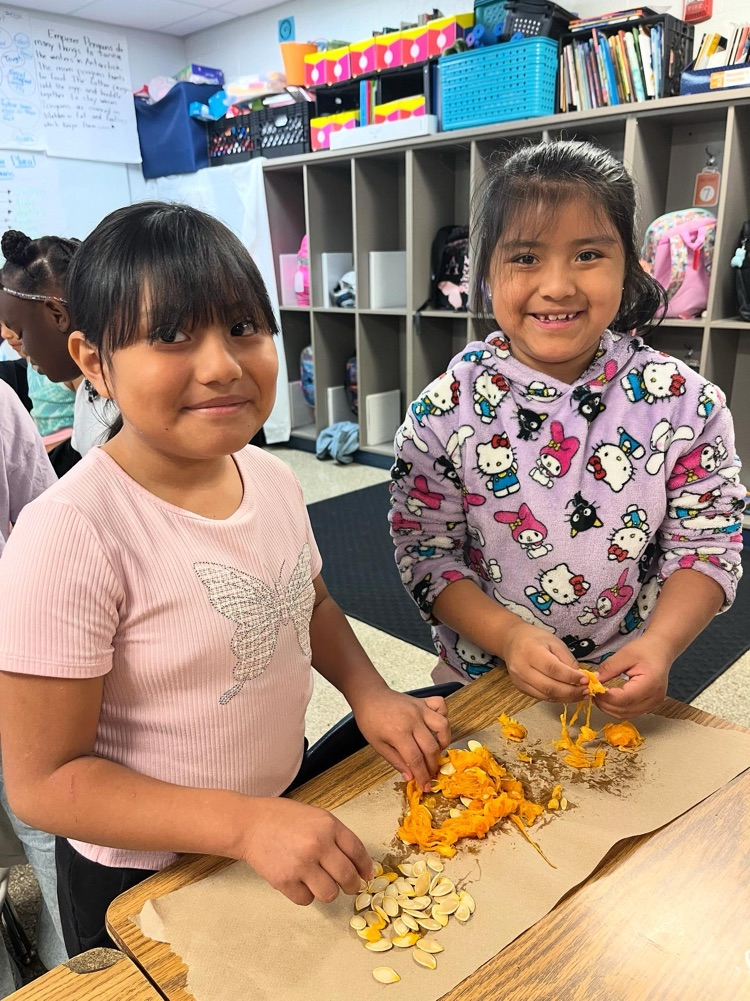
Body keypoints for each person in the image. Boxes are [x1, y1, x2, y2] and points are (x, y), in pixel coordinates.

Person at [0, 202, 451, 958]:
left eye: (243, 327)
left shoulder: (270, 477)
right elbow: (45, 782)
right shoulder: (71, 533)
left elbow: (306, 599)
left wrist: (369, 692)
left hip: (279, 810)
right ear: (93, 361)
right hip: (144, 879)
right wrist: (242, 824)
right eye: (171, 335)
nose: (221, 365)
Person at [389, 140, 744, 719]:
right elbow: (426, 553)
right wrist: (507, 636)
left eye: (588, 254)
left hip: (623, 680)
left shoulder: (685, 404)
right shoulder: (444, 411)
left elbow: (706, 543)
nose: (557, 286)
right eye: (526, 257)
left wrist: (661, 645)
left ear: (629, 265)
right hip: (481, 678)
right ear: (486, 272)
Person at [0, 379, 66, 996]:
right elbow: (41, 519)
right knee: (46, 826)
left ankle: (65, 962)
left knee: (46, 820)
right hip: (12, 650)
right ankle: (69, 962)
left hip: (14, 654)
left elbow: (42, 523)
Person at [0, 230, 114, 462]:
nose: (24, 349)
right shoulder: (86, 395)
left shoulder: (123, 407)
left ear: (57, 315)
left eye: (21, 333)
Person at [0, 322, 77, 475]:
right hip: (40, 454)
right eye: (0, 326)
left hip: (68, 457)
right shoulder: (28, 361)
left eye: (11, 323)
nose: (5, 334)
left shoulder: (67, 363)